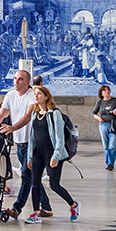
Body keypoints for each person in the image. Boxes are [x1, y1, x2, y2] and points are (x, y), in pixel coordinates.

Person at [0, 70, 47, 217]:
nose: (16, 81)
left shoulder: (33, 95)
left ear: (27, 82)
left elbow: (28, 115)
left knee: (26, 175)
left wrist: (12, 128)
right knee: (32, 176)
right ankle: (47, 207)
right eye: (15, 79)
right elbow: (1, 114)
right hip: (20, 143)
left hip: (33, 143)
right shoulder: (10, 95)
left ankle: (17, 208)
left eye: (20, 79)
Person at [22, 86, 77, 223]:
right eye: (35, 94)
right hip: (37, 154)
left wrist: (56, 156)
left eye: (39, 94)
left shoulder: (54, 114)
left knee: (54, 185)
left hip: (52, 153)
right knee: (35, 183)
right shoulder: (35, 114)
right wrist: (30, 157)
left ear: (46, 96)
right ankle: (36, 213)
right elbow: (32, 138)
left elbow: (59, 138)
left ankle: (73, 205)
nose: (36, 96)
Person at [91, 84, 116, 171]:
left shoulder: (115, 101)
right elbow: (93, 113)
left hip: (114, 125)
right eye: (105, 90)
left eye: (108, 90)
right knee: (106, 146)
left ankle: (111, 163)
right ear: (101, 93)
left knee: (112, 146)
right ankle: (108, 163)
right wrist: (98, 118)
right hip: (103, 125)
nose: (107, 91)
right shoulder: (100, 102)